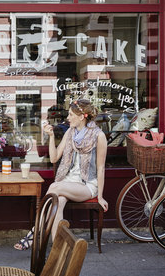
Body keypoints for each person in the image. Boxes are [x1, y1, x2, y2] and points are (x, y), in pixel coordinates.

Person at [14, 99, 108, 250]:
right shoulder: (70, 133)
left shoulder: (99, 136)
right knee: (58, 202)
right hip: (69, 182)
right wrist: (51, 137)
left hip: (87, 185)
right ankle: (58, 250)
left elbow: (101, 168)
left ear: (82, 116)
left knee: (54, 187)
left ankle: (35, 232)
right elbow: (54, 158)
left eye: (71, 115)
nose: (68, 118)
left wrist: (101, 196)